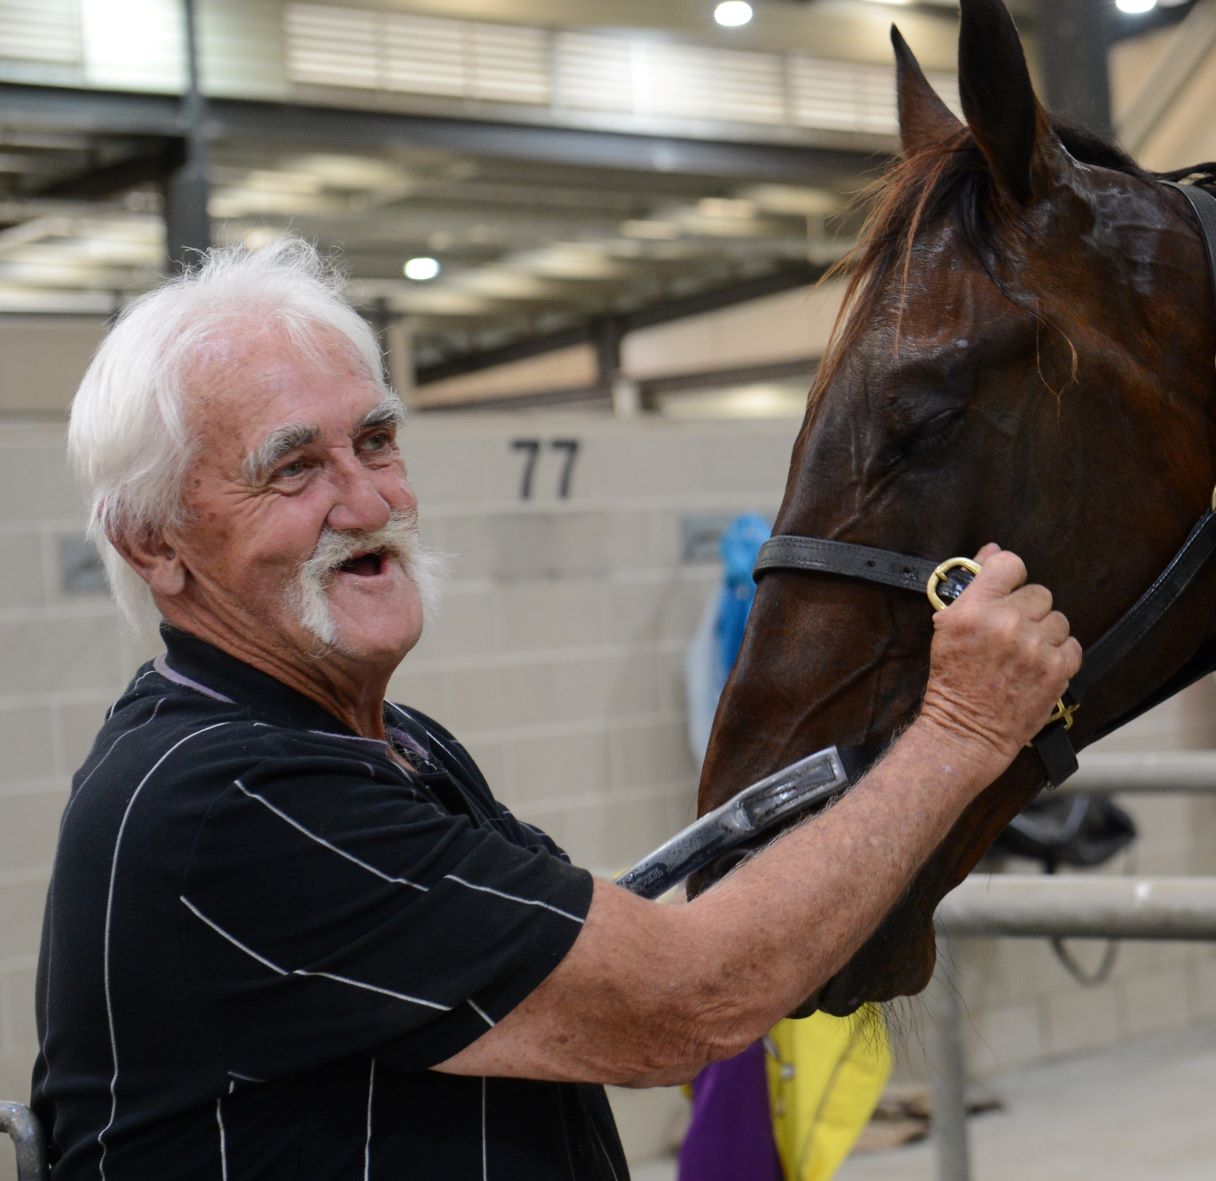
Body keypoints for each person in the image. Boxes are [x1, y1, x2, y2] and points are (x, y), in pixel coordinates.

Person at [33, 239, 1081, 1180]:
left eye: (377, 440)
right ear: (152, 542)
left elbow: (602, 976)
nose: (367, 502)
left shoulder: (386, 744)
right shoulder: (232, 799)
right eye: (293, 467)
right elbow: (687, 1001)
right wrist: (961, 731)